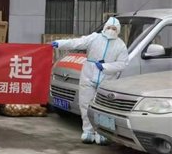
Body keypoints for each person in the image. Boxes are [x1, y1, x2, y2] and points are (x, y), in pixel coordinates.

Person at [53, 17, 129, 145]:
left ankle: (102, 133)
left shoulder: (120, 45)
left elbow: (123, 64)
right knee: (85, 104)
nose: (111, 30)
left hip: (107, 80)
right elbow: (77, 43)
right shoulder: (94, 38)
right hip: (88, 76)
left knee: (103, 108)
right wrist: (60, 43)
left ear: (118, 30)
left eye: (114, 28)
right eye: (109, 27)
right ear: (104, 28)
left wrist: (105, 67)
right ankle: (88, 131)